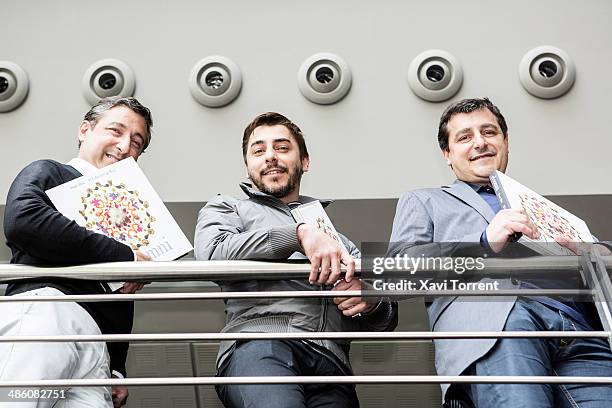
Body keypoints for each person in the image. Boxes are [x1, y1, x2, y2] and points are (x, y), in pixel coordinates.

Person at [389, 97, 612, 407]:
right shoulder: (423, 201)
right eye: (464, 137)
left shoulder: (543, 207)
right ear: (447, 154)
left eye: (489, 132)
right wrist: (483, 242)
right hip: (499, 325)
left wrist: (597, 251)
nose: (480, 142)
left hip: (585, 333)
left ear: (506, 141)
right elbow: (396, 272)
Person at [195, 112, 397, 408]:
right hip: (260, 346)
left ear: (304, 161)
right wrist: (297, 234)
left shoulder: (338, 240)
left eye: (282, 147)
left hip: (331, 364)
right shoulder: (228, 208)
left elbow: (385, 319)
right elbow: (211, 253)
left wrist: (371, 300)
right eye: (258, 150)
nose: (270, 157)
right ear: (248, 165)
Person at [0, 97, 154, 408]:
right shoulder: (50, 171)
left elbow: (119, 298)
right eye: (115, 130)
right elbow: (24, 220)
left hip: (97, 351)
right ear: (85, 130)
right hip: (47, 314)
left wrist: (117, 366)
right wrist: (125, 257)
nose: (125, 146)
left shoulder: (125, 209)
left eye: (137, 142)